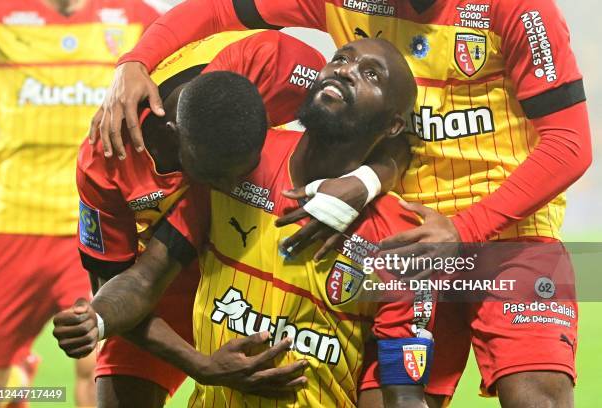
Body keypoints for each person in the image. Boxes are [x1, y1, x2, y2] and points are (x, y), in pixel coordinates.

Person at [94, 0, 592, 406]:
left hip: (507, 235)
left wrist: (464, 227)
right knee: (400, 394)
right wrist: (135, 61)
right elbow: (221, 9)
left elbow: (571, 143)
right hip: (400, 237)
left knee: (538, 397)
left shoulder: (519, 8)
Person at [55, 38, 436, 407]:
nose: (346, 70)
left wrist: (368, 180)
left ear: (393, 125)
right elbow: (133, 281)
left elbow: (400, 391)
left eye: (371, 75)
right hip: (168, 275)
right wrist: (99, 321)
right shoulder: (121, 158)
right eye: (341, 58)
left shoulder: (399, 235)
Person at [70, 30, 330, 407]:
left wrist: (363, 182)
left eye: (243, 170)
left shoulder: (271, 62)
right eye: (217, 174)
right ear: (174, 138)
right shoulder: (106, 160)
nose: (230, 186)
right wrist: (201, 365)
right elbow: (111, 291)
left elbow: (354, 122)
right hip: (169, 273)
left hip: (268, 256)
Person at [0, 1, 164, 406]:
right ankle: (18, 379)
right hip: (12, 218)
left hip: (93, 223)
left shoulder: (136, 17)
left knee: (95, 364)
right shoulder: (0, 14)